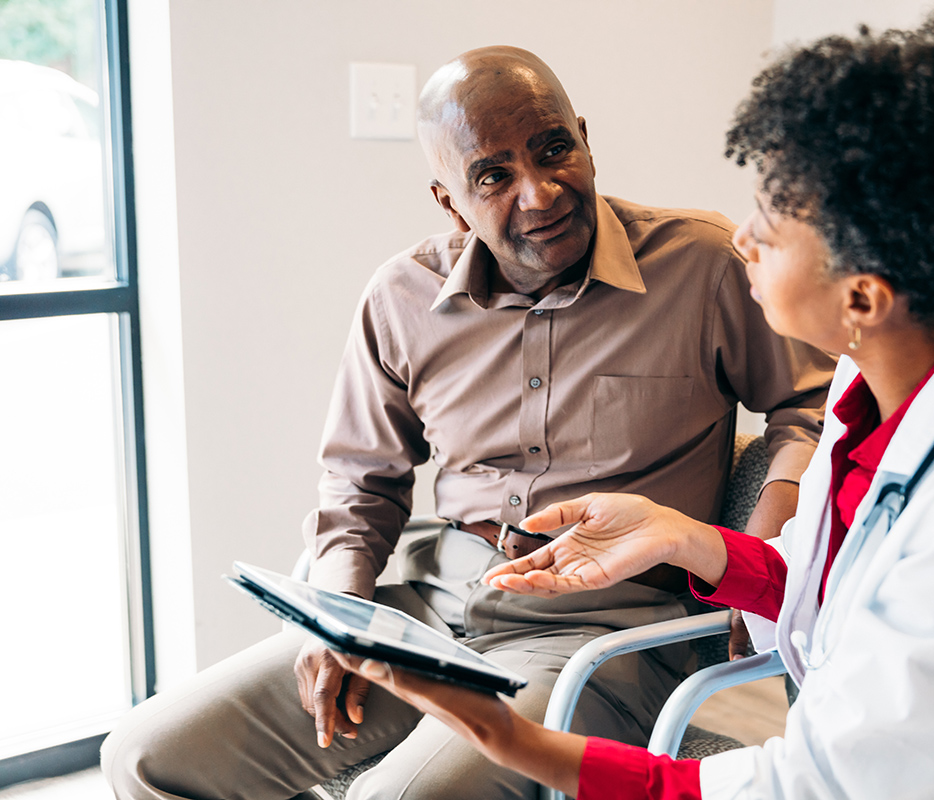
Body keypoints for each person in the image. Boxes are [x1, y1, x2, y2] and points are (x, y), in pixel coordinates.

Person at [327, 11, 934, 800]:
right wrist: (691, 541)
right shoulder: (883, 383)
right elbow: (839, 590)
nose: (738, 237)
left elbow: (810, 785)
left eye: (772, 226)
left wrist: (515, 741)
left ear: (860, 297)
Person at [100, 46, 834, 800]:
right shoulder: (401, 297)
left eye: (555, 150)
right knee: (145, 755)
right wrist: (333, 619)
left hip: (602, 633)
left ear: (584, 139)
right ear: (450, 200)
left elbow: (812, 404)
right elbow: (359, 482)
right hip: (428, 609)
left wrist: (765, 535)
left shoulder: (700, 264)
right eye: (494, 175)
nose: (540, 192)